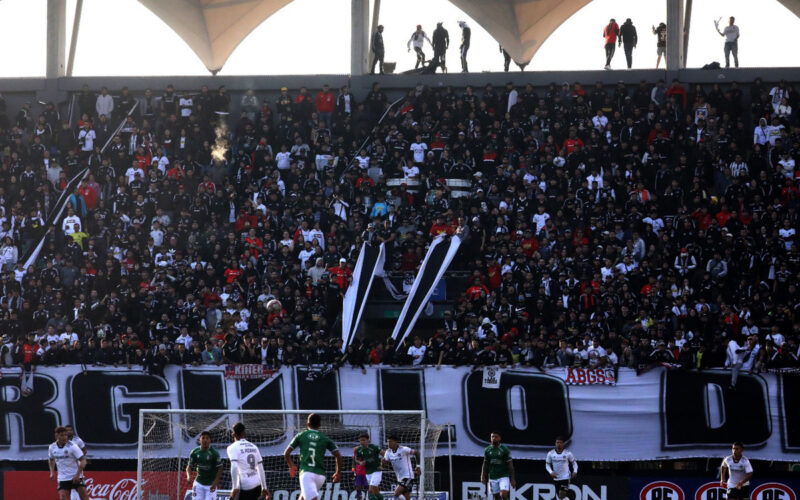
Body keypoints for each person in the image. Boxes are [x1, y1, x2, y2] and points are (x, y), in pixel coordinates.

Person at [284, 413, 342, 500]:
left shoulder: (301, 435)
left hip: (306, 473)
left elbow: (286, 453)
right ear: (319, 425)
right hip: (320, 476)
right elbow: (338, 456)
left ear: (307, 424)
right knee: (303, 497)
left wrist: (291, 466)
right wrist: (338, 472)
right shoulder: (325, 438)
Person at [227, 422, 269, 500]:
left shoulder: (232, 447)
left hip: (246, 487)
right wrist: (264, 487)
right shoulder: (254, 447)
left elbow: (234, 467)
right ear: (245, 433)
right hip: (257, 484)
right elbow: (261, 468)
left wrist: (235, 487)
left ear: (233, 434)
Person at [48, 426, 89, 500]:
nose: (64, 437)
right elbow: (51, 459)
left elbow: (83, 461)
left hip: (76, 476)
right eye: (62, 435)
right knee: (63, 497)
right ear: (56, 436)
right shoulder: (52, 447)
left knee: (84, 498)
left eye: (65, 435)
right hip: (63, 477)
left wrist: (77, 475)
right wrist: (52, 471)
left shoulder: (73, 446)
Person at [186, 430, 223, 500]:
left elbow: (220, 468)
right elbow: (189, 467)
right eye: (203, 438)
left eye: (207, 438)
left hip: (211, 485)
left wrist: (215, 482)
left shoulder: (214, 453)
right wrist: (188, 476)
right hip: (199, 483)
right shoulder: (194, 452)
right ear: (199, 440)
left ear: (210, 440)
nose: (205, 440)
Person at [382, 435, 419, 500]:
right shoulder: (388, 452)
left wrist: (418, 466)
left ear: (396, 442)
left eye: (390, 442)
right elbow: (383, 465)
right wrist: (383, 462)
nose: (389, 443)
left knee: (396, 493)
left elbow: (416, 453)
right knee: (406, 497)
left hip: (408, 476)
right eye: (388, 442)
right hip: (400, 478)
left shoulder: (403, 449)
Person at [480, 431, 515, 500]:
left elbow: (510, 465)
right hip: (492, 476)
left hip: (503, 476)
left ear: (500, 438)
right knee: (496, 497)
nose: (494, 438)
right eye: (492, 437)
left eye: (496, 437)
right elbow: (485, 464)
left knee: (503, 494)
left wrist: (512, 479)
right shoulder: (487, 450)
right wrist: (482, 475)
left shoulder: (504, 449)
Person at [354, 433, 383, 500]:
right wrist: (360, 462)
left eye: (364, 440)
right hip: (368, 472)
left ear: (368, 440)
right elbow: (356, 459)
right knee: (376, 492)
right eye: (360, 440)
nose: (362, 442)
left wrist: (382, 464)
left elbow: (385, 454)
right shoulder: (359, 450)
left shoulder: (374, 447)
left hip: (376, 471)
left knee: (370, 491)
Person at [65, 425, 86, 500]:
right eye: (67, 430)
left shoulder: (78, 440)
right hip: (67, 465)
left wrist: (80, 457)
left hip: (77, 464)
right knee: (70, 486)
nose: (69, 432)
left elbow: (84, 450)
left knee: (77, 482)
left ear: (73, 431)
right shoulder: (63, 441)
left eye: (70, 430)